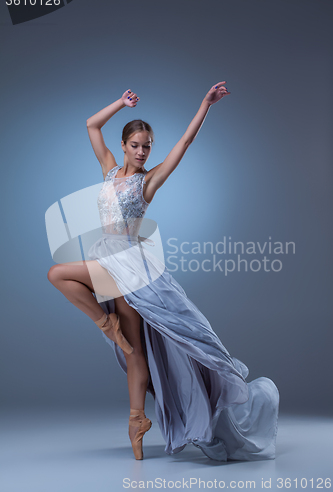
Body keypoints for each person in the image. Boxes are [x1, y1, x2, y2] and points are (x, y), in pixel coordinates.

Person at [47, 83, 279, 461]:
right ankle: (113, 337)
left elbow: (184, 144)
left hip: (129, 266)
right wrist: (121, 104)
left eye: (147, 146)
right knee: (62, 277)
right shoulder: (108, 171)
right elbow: (91, 125)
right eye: (136, 145)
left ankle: (136, 418)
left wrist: (205, 104)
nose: (142, 151)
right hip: (107, 259)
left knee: (134, 348)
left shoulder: (147, 182)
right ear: (123, 146)